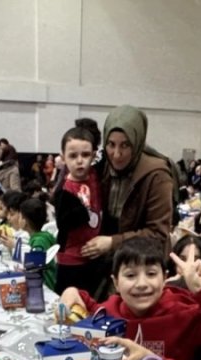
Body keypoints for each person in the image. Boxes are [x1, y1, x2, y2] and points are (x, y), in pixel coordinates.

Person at [56, 237, 201, 360]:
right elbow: (86, 304)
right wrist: (70, 292)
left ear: (165, 279)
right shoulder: (109, 311)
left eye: (151, 274)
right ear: (116, 282)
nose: (141, 284)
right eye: (131, 275)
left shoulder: (185, 313)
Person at [91, 105, 177, 267]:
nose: (116, 154)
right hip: (112, 260)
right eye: (111, 144)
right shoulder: (103, 168)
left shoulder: (157, 175)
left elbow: (157, 234)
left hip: (146, 263)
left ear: (137, 142)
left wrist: (112, 242)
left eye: (125, 145)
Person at [51, 120, 107, 296]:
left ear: (93, 155)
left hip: (93, 258)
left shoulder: (94, 174)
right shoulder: (64, 191)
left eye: (85, 155)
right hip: (71, 262)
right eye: (73, 156)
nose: (80, 161)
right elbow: (64, 223)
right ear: (63, 157)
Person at [17, 196, 57, 290]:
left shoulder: (39, 242)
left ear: (25, 221)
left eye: (20, 216)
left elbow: (34, 270)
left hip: (46, 287)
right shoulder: (41, 237)